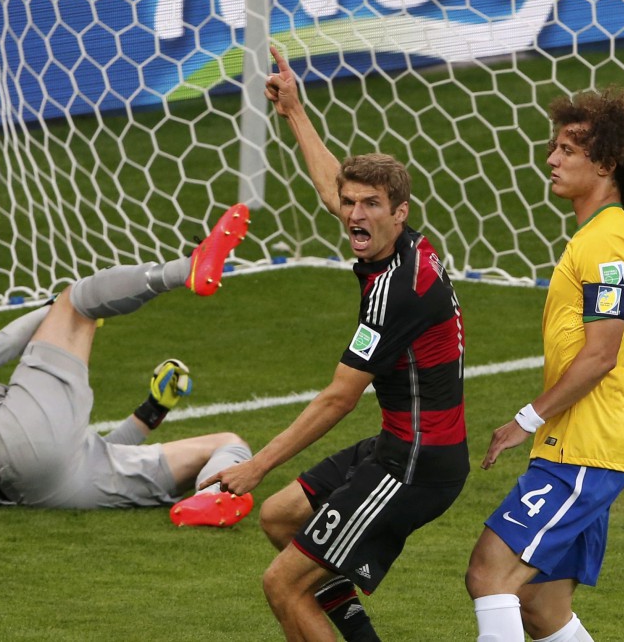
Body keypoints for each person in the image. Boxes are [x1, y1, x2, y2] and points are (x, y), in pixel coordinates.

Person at [200, 47, 469, 641]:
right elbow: (333, 188)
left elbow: (338, 399)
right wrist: (294, 110)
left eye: (370, 205)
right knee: (280, 517)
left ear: (399, 212)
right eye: (351, 204)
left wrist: (256, 466)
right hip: (399, 442)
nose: (353, 215)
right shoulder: (397, 245)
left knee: (282, 585)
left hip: (418, 464)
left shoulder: (396, 291)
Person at [0, 205, 255, 525]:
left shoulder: (4, 403)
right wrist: (56, 307)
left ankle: (211, 500)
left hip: (51, 488)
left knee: (228, 444)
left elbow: (79, 450)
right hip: (5, 461)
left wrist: (152, 410)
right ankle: (187, 268)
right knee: (77, 298)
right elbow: (3, 347)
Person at [464, 88, 624, 642]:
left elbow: (603, 354)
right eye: (553, 148)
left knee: (489, 574)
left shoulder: (605, 244)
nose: (551, 159)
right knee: (538, 605)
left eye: (567, 151)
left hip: (579, 454)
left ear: (605, 164)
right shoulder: (614, 238)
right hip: (589, 449)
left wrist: (526, 420)